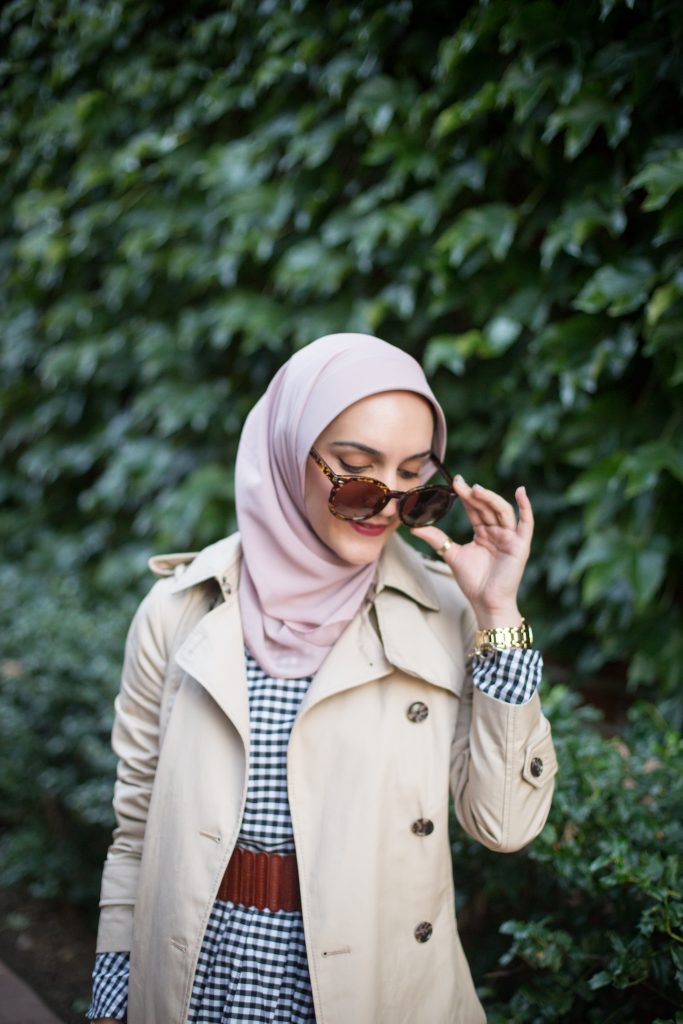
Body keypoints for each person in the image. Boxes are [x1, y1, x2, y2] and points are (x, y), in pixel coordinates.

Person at [87, 333, 556, 1024]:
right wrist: (111, 991)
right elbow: (135, 830)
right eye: (358, 472)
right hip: (198, 973)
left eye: (414, 480)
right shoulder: (179, 610)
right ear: (287, 450)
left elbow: (505, 825)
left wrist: (498, 615)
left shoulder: (449, 616)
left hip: (368, 984)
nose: (387, 504)